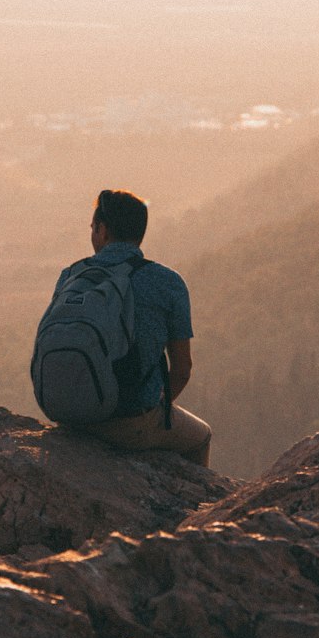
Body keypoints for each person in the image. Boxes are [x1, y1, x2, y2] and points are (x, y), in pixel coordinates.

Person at [48, 188, 212, 466]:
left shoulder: (71, 275)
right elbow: (182, 370)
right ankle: (200, 509)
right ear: (140, 233)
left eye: (93, 227)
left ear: (102, 230)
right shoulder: (168, 282)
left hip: (70, 416)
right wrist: (146, 408)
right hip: (130, 425)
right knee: (202, 436)